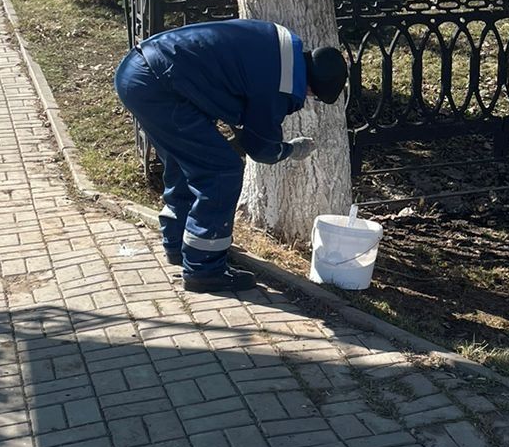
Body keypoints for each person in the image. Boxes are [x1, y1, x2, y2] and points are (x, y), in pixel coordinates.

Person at [114, 20, 349, 298]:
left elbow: (230, 87)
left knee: (185, 163)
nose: (309, 98)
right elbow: (261, 148)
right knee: (221, 171)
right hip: (159, 87)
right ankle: (205, 269)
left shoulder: (280, 46)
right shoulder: (281, 83)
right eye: (314, 96)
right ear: (312, 86)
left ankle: (180, 244)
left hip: (140, 71)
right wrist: (291, 150)